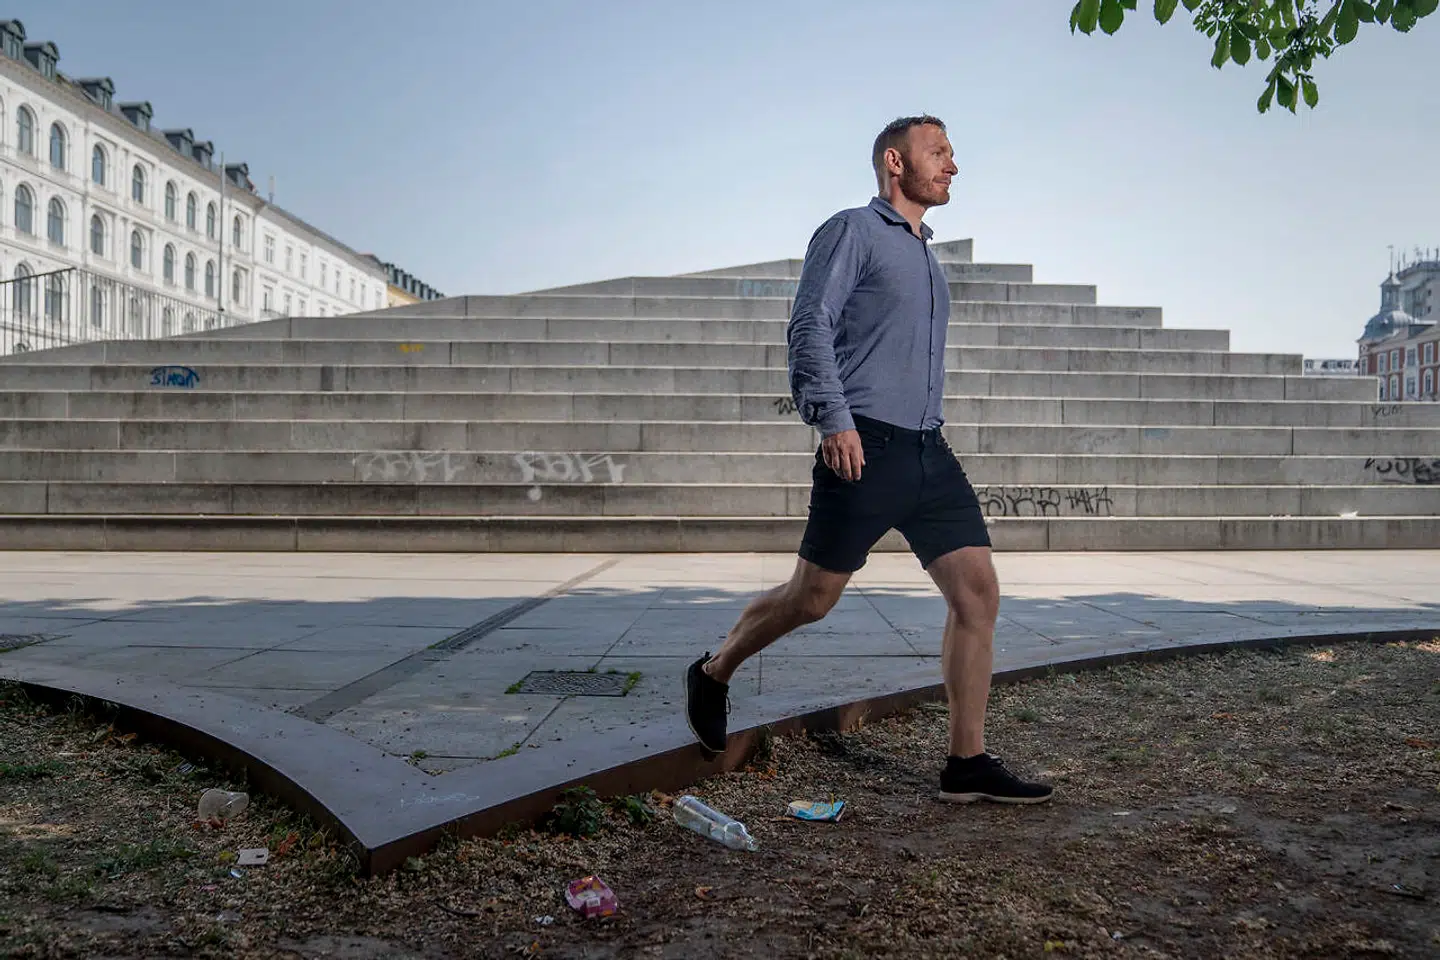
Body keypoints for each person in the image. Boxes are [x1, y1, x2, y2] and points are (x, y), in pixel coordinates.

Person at [684, 115, 1053, 805]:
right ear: (895, 161)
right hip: (864, 446)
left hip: (928, 452)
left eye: (951, 153)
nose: (951, 164)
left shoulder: (924, 250)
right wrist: (833, 418)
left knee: (978, 596)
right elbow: (809, 322)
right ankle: (714, 670)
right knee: (812, 599)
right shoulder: (852, 230)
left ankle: (966, 762)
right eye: (937, 152)